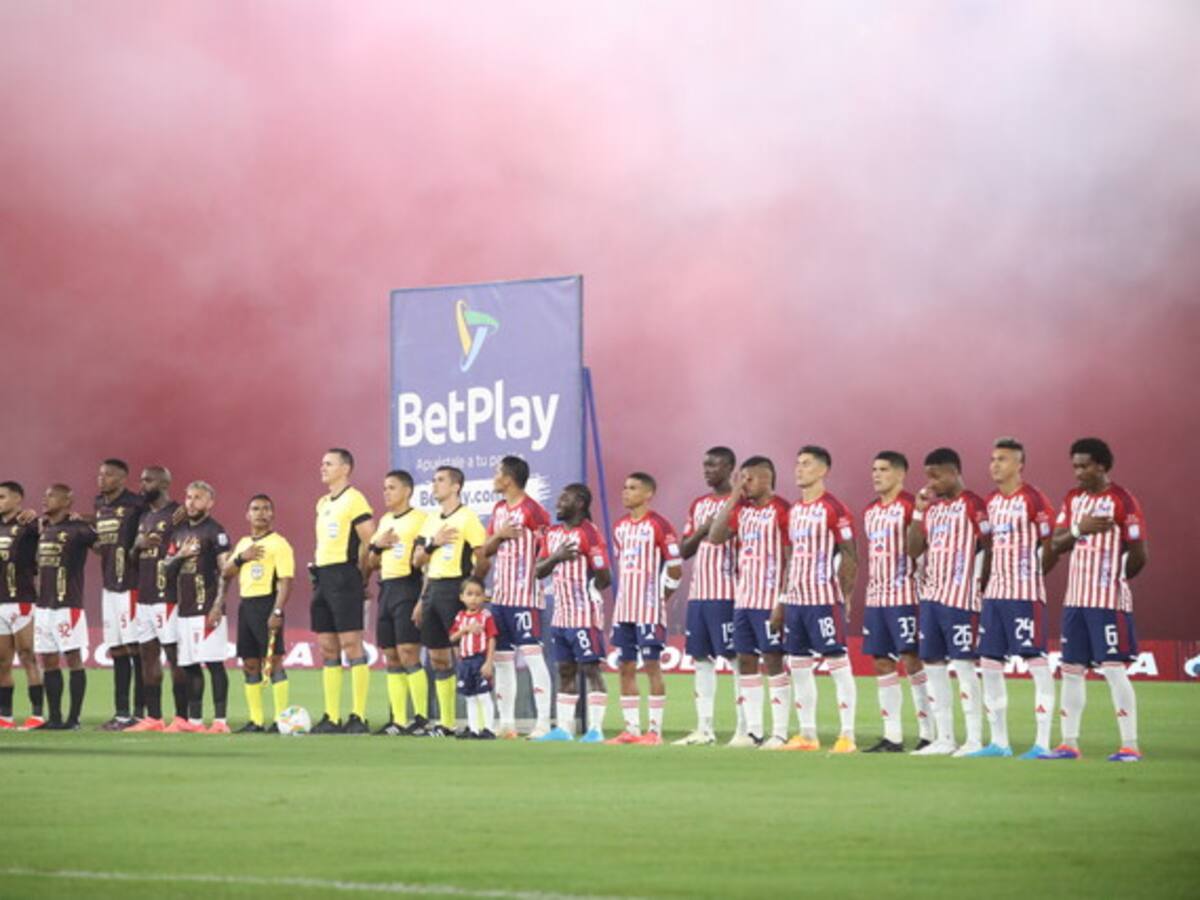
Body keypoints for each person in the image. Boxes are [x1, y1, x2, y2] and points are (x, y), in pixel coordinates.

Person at [1041, 438, 1148, 763]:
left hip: (1107, 602)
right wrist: (1078, 529)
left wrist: (1113, 580)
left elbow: (1140, 553)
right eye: (1075, 466)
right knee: (1072, 670)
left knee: (1113, 671)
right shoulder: (1073, 500)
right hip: (1075, 601)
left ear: (1101, 465)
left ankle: (1130, 745)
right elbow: (1057, 544)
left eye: (1084, 466)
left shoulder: (1122, 500)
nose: (1078, 473)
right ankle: (1069, 744)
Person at [972, 438, 1058, 759]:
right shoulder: (990, 501)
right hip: (995, 595)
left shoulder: (1034, 499)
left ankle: (1042, 743)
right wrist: (983, 585)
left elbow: (1051, 544)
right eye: (993, 459)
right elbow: (988, 548)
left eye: (1003, 459)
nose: (995, 465)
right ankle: (1000, 743)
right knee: (990, 663)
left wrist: (1034, 577)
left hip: (1024, 595)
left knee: (1035, 661)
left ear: (1019, 465)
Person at [771, 446, 858, 753]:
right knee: (798, 665)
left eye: (806, 464)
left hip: (823, 599)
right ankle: (807, 735)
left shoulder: (834, 509)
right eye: (797, 464)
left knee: (837, 662)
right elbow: (791, 557)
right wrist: (782, 599)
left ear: (823, 470)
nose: (799, 469)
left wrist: (845, 595)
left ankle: (847, 735)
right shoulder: (793, 511)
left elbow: (850, 554)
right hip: (796, 601)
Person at [907, 448, 991, 757]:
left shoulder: (973, 504)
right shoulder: (932, 509)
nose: (930, 483)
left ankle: (973, 739)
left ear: (954, 472)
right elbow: (913, 550)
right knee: (934, 666)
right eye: (927, 476)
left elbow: (990, 545)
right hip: (931, 599)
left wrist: (979, 587)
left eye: (936, 475)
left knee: (965, 666)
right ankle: (944, 738)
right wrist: (917, 512)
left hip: (961, 600)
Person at [708, 457, 791, 748]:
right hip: (743, 600)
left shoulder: (783, 510)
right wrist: (733, 497)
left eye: (750, 479)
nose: (744, 484)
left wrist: (783, 599)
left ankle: (780, 731)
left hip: (770, 600)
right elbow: (715, 537)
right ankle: (753, 732)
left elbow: (792, 556)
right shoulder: (740, 511)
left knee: (773, 659)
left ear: (767, 479)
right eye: (741, 478)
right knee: (745, 660)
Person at [860, 452, 933, 753]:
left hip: (905, 595)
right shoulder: (869, 511)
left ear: (901, 474)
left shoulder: (910, 506)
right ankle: (893, 736)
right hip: (876, 597)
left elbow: (922, 549)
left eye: (884, 470)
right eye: (874, 469)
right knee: (881, 662)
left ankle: (929, 733)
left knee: (912, 659)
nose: (876, 475)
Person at [605, 472, 682, 746]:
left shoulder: (660, 525)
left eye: (633, 488)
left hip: (648, 609)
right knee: (625, 666)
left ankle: (655, 732)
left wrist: (661, 598)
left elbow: (675, 566)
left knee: (651, 666)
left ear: (648, 494)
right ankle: (631, 729)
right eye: (625, 487)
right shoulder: (619, 527)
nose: (625, 492)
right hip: (624, 608)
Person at [413, 466, 489, 737]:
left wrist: (471, 588)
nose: (435, 485)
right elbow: (417, 560)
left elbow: (483, 557)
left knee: (466, 654)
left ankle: (479, 722)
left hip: (455, 587)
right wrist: (433, 544)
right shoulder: (431, 521)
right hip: (432, 588)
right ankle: (447, 723)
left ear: (456, 486)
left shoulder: (467, 518)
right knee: (437, 657)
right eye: (434, 480)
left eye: (441, 480)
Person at [674, 447, 743, 747]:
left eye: (714, 465)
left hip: (727, 593)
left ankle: (745, 728)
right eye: (705, 465)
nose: (707, 470)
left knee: (737, 659)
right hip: (699, 594)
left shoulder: (740, 505)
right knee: (701, 659)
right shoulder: (698, 504)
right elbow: (684, 550)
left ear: (730, 467)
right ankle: (704, 728)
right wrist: (702, 528)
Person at [533, 484, 612, 743]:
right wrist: (556, 557)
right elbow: (538, 571)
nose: (558, 503)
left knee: (590, 669)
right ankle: (564, 729)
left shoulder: (589, 533)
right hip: (561, 615)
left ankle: (596, 730)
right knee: (565, 669)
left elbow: (604, 576)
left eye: (564, 499)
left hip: (584, 614)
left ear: (579, 503)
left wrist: (589, 592)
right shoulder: (553, 534)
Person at [481, 456, 553, 739]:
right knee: (502, 660)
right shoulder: (498, 509)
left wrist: (534, 576)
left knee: (534, 658)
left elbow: (547, 550)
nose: (493, 477)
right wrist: (498, 535)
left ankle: (543, 723)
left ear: (508, 478)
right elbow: (485, 550)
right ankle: (507, 724)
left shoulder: (534, 511)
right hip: (499, 597)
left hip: (525, 598)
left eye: (497, 473)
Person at [310, 449, 375, 734]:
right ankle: (331, 716)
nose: (322, 467)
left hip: (344, 575)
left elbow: (369, 541)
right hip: (323, 577)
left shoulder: (355, 499)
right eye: (322, 463)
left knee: (351, 644)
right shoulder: (323, 502)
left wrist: (359, 576)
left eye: (329, 463)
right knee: (327, 646)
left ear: (345, 468)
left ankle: (358, 716)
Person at [162, 481, 231, 733]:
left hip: (207, 609)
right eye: (189, 497)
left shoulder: (216, 532)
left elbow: (225, 573)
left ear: (210, 503)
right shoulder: (178, 533)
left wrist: (218, 606)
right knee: (189, 665)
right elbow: (166, 570)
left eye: (198, 498)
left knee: (213, 663)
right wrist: (180, 556)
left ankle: (221, 721)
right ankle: (195, 721)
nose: (191, 502)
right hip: (185, 610)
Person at [223, 494, 295, 734]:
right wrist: (242, 558)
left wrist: (277, 610)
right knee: (250, 664)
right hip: (246, 605)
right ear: (248, 514)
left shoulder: (279, 544)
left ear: (272, 514)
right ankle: (256, 721)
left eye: (266, 509)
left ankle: (281, 720)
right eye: (255, 509)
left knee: (273, 662)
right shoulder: (243, 543)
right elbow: (226, 571)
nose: (261, 513)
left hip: (267, 604)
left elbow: (285, 581)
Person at [365, 470, 429, 736]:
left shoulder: (421, 520)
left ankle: (422, 718)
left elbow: (427, 562)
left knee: (408, 653)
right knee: (390, 655)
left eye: (391, 487)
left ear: (407, 491)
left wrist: (422, 599)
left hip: (408, 586)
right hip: (387, 589)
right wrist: (377, 545)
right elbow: (371, 563)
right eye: (384, 488)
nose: (386, 492)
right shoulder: (385, 521)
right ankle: (399, 721)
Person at [125, 466, 187, 732]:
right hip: (145, 597)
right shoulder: (145, 517)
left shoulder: (178, 514)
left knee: (174, 656)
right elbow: (132, 562)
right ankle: (154, 717)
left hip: (168, 597)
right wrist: (137, 547)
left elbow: (189, 549)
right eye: (141, 480)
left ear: (164, 482)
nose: (142, 485)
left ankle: (182, 718)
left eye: (147, 480)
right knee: (147, 657)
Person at [32, 485, 96, 730]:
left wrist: (91, 521)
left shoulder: (78, 530)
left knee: (73, 659)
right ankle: (55, 718)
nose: (44, 499)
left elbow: (101, 546)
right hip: (44, 607)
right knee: (48, 661)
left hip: (67, 605)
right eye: (44, 494)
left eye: (50, 495)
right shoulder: (45, 529)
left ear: (67, 500)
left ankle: (74, 719)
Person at [94, 458, 147, 729]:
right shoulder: (99, 505)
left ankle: (139, 713)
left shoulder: (137, 505)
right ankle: (121, 712)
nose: (101, 479)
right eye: (100, 474)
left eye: (108, 475)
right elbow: (102, 542)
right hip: (109, 587)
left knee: (134, 648)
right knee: (116, 649)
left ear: (123, 479)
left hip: (130, 586)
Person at [0, 481, 44, 729]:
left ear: (18, 499)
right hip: (0, 601)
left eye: (3, 497)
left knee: (27, 655)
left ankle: (37, 714)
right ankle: (5, 716)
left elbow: (46, 538)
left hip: (22, 600)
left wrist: (36, 519)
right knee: (2, 662)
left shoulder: (28, 525)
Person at [448, 577, 498, 739]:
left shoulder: (485, 616)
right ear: (462, 597)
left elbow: (492, 638)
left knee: (483, 695)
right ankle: (474, 729)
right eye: (469, 594)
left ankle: (488, 729)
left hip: (480, 660)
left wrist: (489, 662)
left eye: (478, 595)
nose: (474, 598)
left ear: (484, 597)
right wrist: (466, 630)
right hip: (465, 661)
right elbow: (452, 638)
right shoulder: (460, 617)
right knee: (470, 696)